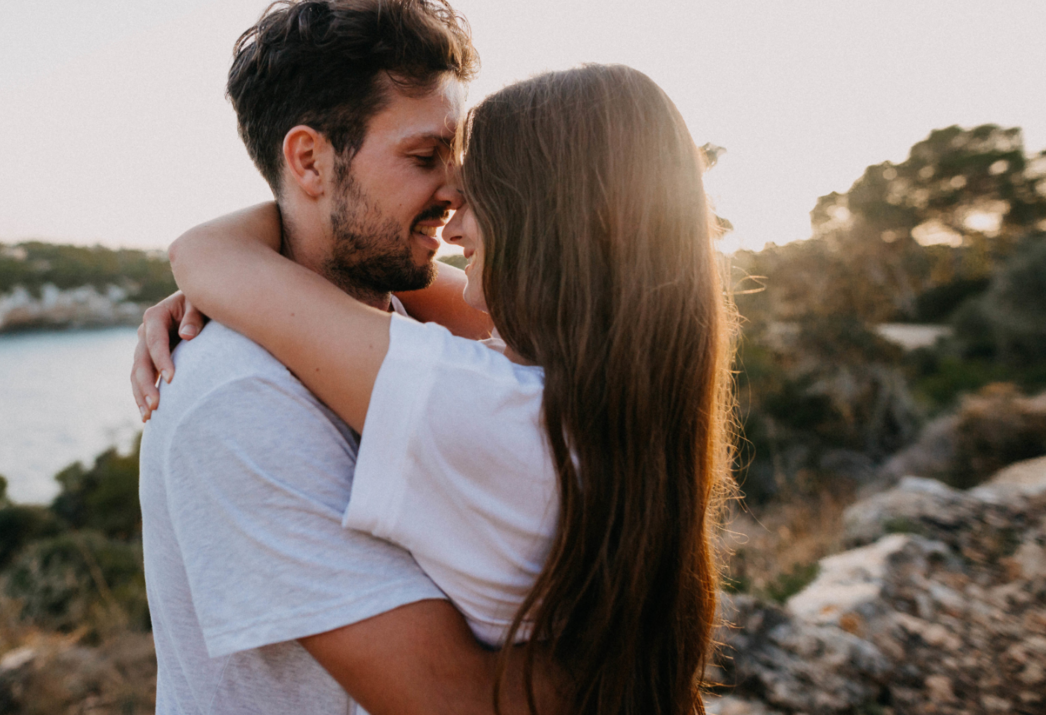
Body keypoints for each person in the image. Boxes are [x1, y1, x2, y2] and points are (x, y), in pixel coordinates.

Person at [137, 64, 737, 714]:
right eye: (426, 157)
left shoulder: (488, 402)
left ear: (548, 222)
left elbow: (204, 253)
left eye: (478, 189)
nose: (452, 214)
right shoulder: (616, 391)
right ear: (308, 158)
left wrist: (251, 264)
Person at [134, 1, 556, 714]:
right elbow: (455, 701)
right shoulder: (238, 396)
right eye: (425, 158)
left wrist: (220, 256)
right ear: (309, 160)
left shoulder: (416, 327)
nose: (457, 192)